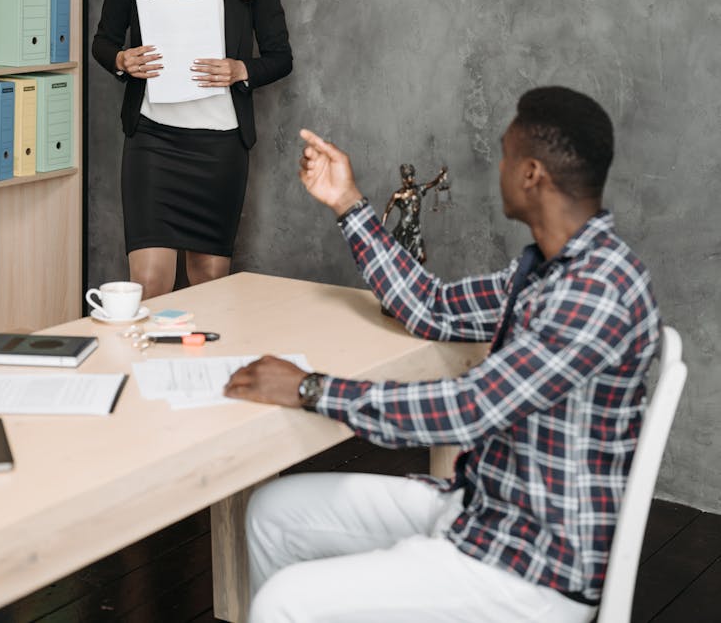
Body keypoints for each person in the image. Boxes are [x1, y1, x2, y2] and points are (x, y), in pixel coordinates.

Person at [225, 87, 661, 623]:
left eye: (504, 155)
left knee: (282, 602)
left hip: (532, 567)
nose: (495, 167)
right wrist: (347, 202)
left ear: (531, 173)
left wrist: (309, 388)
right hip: (484, 511)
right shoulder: (551, 269)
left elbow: (467, 408)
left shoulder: (596, 290)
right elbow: (433, 307)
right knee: (273, 514)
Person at [92, 0, 292, 298]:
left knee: (208, 288)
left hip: (219, 147)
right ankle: (152, 370)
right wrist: (122, 61)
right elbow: (103, 41)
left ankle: (195, 372)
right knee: (148, 285)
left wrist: (241, 69)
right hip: (152, 141)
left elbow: (281, 56)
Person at [382, 161, 448, 262]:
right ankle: (404, 273)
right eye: (408, 177)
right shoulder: (398, 195)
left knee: (422, 258)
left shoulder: (418, 189)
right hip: (403, 229)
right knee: (398, 257)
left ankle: (409, 272)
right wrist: (381, 228)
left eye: (412, 176)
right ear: (403, 179)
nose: (411, 179)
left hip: (415, 230)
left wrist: (441, 174)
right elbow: (386, 212)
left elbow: (433, 183)